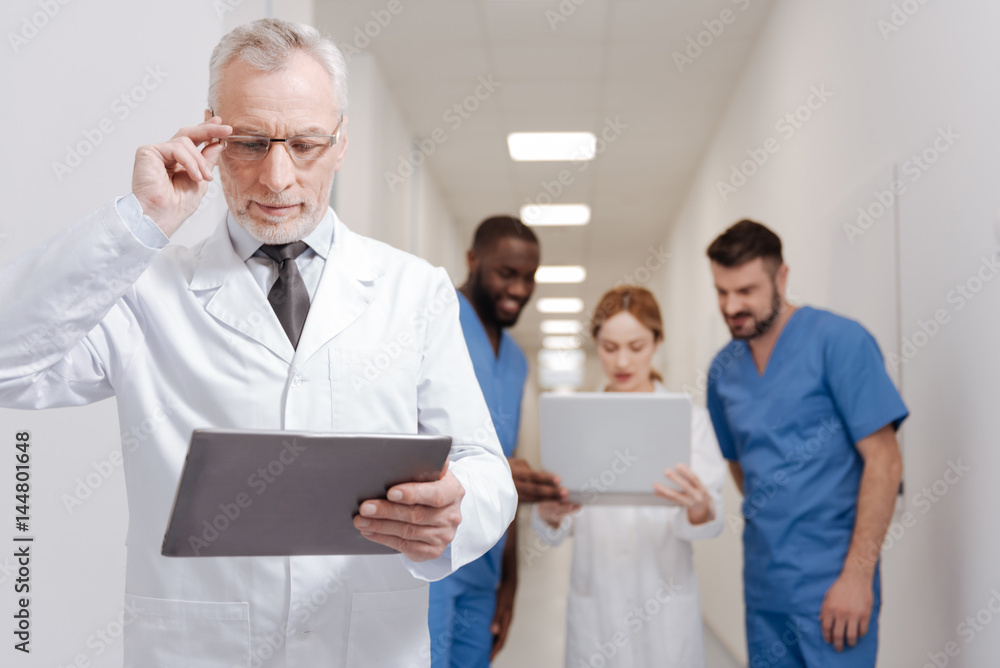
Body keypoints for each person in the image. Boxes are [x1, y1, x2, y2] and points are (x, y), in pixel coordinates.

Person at [0, 19, 516, 667]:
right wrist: (140, 223)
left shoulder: (414, 291)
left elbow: (483, 464)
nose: (276, 179)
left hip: (367, 646)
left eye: (303, 144)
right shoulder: (141, 291)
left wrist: (454, 513)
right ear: (210, 134)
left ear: (341, 144)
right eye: (248, 143)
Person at [704, 220, 908, 667]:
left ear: (781, 277)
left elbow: (885, 462)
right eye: (721, 292)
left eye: (746, 291)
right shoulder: (723, 371)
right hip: (764, 588)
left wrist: (857, 576)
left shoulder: (840, 342)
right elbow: (744, 469)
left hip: (835, 585)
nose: (732, 306)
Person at [533, 286, 725, 668]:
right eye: (608, 347)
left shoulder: (691, 421)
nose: (622, 360)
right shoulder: (576, 422)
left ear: (657, 341)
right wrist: (551, 513)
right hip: (597, 604)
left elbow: (710, 517)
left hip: (665, 600)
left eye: (636, 347)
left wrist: (700, 507)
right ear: (596, 345)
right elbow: (552, 526)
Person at [429, 215, 567, 667]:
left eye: (529, 278)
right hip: (428, 560)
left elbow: (502, 477)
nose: (520, 289)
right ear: (473, 261)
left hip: (484, 569)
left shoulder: (515, 361)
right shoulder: (431, 323)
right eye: (507, 274)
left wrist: (509, 582)